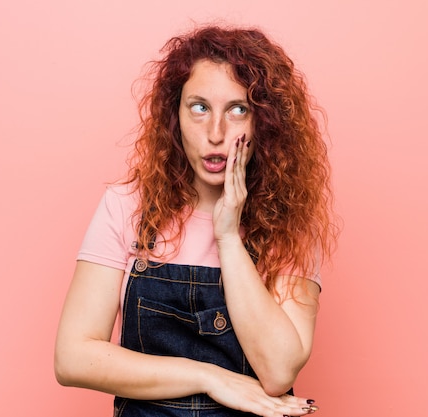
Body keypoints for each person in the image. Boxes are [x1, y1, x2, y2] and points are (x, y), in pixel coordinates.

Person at [54, 25, 337, 417]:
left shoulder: (289, 223)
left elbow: (277, 371)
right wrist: (211, 378)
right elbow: (73, 357)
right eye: (199, 107)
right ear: (176, 116)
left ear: (264, 123)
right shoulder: (126, 206)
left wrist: (228, 235)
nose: (216, 133)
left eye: (238, 110)